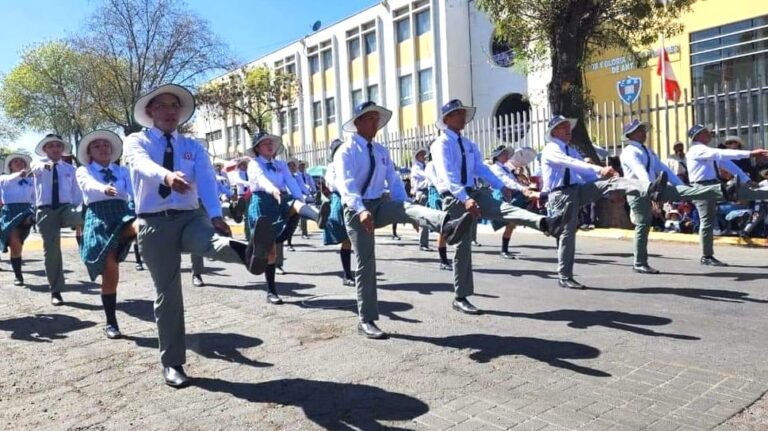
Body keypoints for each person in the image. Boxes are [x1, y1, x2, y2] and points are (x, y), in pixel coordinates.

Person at [124, 83, 256, 388]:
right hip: (154, 224)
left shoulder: (193, 146)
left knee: (210, 242)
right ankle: (172, 363)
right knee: (168, 295)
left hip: (189, 216)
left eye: (175, 107)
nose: (170, 112)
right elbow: (141, 166)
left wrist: (214, 214)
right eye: (163, 106)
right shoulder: (136, 141)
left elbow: (208, 180)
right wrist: (167, 176)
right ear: (149, 112)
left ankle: (251, 254)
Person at [337, 101, 474, 339]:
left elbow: (395, 181)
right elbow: (346, 186)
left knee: (410, 207)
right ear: (357, 122)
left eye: (377, 119)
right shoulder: (346, 151)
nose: (375, 123)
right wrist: (360, 210)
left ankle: (447, 225)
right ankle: (366, 319)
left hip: (379, 203)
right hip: (356, 209)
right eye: (370, 118)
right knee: (366, 262)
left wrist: (406, 210)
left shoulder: (381, 151)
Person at [431, 99, 564, 312]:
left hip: (473, 192)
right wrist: (464, 198)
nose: (463, 116)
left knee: (505, 210)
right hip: (455, 197)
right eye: (458, 113)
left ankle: (544, 223)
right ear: (447, 119)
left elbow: (481, 169)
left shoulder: (468, 144)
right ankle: (461, 297)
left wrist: (501, 186)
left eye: (464, 113)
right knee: (463, 248)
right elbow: (448, 177)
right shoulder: (441, 144)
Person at [540, 115, 667, 289]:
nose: (568, 129)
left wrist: (609, 191)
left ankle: (648, 188)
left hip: (577, 190)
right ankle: (565, 275)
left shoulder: (571, 149)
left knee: (611, 181)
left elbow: (587, 176)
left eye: (568, 126)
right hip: (560, 195)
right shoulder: (551, 149)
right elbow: (573, 164)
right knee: (567, 234)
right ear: (553, 132)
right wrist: (600, 170)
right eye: (563, 127)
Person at [619, 119, 726, 274]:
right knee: (643, 224)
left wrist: (679, 185)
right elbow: (639, 171)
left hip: (652, 188)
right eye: (639, 130)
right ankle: (639, 262)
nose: (643, 133)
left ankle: (719, 190)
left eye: (643, 129)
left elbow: (663, 169)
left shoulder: (646, 150)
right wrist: (651, 191)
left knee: (684, 192)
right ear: (630, 135)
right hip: (639, 191)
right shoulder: (629, 151)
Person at [246, 131, 329, 304]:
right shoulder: (254, 164)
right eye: (264, 143)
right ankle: (271, 291)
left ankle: (317, 217)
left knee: (295, 205)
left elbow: (291, 182)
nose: (269, 145)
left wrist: (301, 198)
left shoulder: (281, 165)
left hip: (281, 200)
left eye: (271, 143)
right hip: (262, 202)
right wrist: (273, 189)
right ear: (257, 148)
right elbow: (260, 180)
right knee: (271, 252)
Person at [75, 130, 138, 339]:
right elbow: (88, 186)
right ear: (89, 152)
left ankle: (134, 245)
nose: (103, 148)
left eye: (106, 145)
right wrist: (104, 189)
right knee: (111, 271)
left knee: (142, 225)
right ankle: (111, 323)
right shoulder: (83, 171)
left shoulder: (123, 171)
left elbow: (135, 192)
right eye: (97, 146)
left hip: (123, 214)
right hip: (98, 218)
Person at [685, 124, 768, 266]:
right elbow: (721, 154)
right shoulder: (698, 149)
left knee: (709, 220)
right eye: (705, 131)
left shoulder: (706, 151)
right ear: (698, 136)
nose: (710, 133)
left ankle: (731, 193)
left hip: (712, 186)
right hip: (702, 187)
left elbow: (727, 164)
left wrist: (746, 180)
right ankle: (706, 256)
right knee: (707, 221)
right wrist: (750, 153)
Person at [30, 134, 84, 305]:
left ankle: (88, 242)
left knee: (85, 218)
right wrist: (47, 166)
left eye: (58, 146)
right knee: (52, 252)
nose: (55, 148)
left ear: (62, 149)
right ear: (45, 149)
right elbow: (37, 168)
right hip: (45, 211)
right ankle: (56, 290)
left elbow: (77, 193)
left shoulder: (70, 169)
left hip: (66, 208)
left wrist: (77, 208)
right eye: (51, 146)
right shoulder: (37, 164)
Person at [487, 145, 539, 259]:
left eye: (506, 154)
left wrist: (524, 186)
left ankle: (504, 250)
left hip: (509, 195)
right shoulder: (495, 168)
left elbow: (513, 181)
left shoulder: (506, 168)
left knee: (511, 223)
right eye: (503, 154)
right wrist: (522, 188)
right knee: (509, 221)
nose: (506, 156)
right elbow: (506, 181)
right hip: (502, 195)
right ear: (497, 157)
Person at [323, 138, 355, 286]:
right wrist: (345, 188)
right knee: (345, 238)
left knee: (359, 238)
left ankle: (358, 272)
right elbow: (330, 182)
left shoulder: (352, 163)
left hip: (354, 198)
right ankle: (347, 274)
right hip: (340, 197)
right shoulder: (332, 166)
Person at [0, 153, 36, 286]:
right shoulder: (4, 178)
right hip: (9, 212)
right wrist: (19, 174)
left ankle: (32, 219)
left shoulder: (31, 181)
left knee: (29, 217)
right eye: (15, 161)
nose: (19, 163)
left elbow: (35, 197)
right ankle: (18, 276)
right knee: (15, 246)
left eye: (21, 161)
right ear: (10, 165)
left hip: (26, 209)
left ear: (26, 165)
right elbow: (8, 182)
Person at [424, 155, 452, 270]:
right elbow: (436, 181)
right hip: (437, 194)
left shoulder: (442, 163)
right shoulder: (431, 165)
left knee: (447, 225)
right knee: (442, 226)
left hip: (445, 192)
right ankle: (443, 260)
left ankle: (445, 259)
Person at [410, 148, 431, 251]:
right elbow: (427, 176)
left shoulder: (424, 166)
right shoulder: (416, 168)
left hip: (428, 192)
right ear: (417, 157)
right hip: (422, 193)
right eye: (421, 155)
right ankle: (423, 243)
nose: (424, 156)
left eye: (424, 154)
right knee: (424, 218)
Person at [296, 160, 318, 239]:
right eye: (300, 165)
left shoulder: (307, 175)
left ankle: (303, 230)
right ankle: (303, 231)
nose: (302, 167)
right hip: (300, 195)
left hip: (307, 194)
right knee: (302, 212)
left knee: (305, 212)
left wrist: (314, 191)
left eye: (303, 165)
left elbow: (312, 184)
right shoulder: (296, 175)